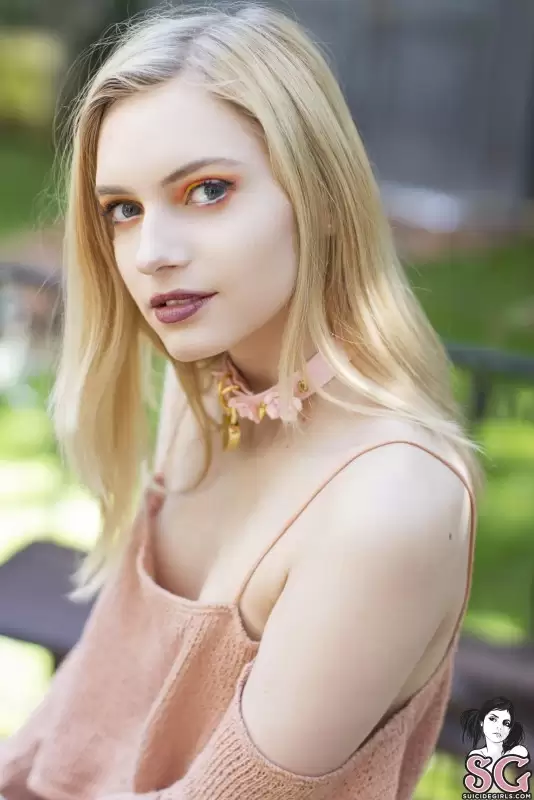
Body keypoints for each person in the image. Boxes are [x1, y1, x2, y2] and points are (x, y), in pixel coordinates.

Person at [0, 2, 483, 798]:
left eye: (208, 190)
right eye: (124, 210)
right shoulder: (206, 397)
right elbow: (92, 701)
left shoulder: (387, 504)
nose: (152, 254)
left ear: (319, 193)